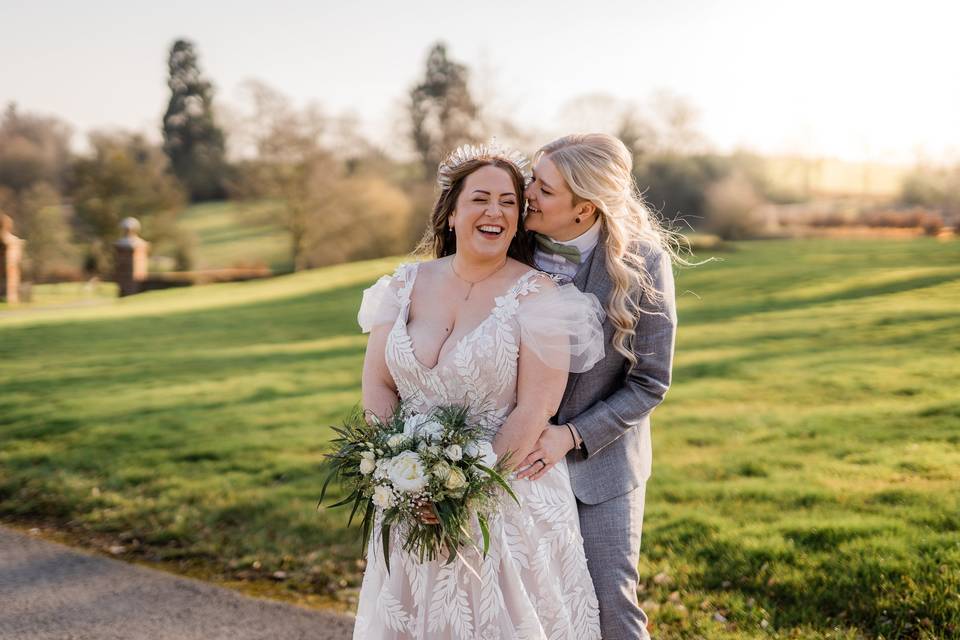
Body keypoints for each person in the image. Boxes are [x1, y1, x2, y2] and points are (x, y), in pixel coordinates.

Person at [353, 141, 605, 639]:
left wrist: (467, 491)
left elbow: (537, 405)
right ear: (450, 214)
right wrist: (397, 472)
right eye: (480, 199)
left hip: (505, 499)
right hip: (411, 496)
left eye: (509, 202)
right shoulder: (401, 286)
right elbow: (379, 384)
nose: (495, 212)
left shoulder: (540, 296)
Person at [514, 133, 679, 639]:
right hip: (514, 461)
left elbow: (650, 382)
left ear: (584, 208)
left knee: (611, 609)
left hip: (600, 469)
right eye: (532, 180)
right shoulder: (513, 247)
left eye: (543, 188)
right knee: (528, 609)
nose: (528, 195)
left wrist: (571, 435)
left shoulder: (642, 263)